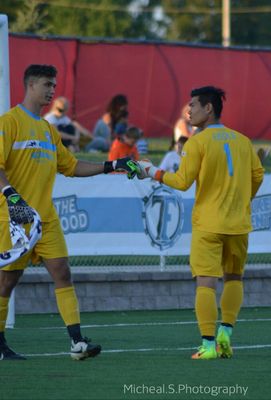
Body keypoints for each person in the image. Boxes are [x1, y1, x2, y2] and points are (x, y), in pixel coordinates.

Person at [0, 64, 139, 361]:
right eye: (48, 85)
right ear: (32, 84)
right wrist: (11, 196)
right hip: (14, 217)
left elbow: (72, 166)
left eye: (54, 85)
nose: (52, 91)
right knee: (7, 281)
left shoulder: (49, 131)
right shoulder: (9, 122)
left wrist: (112, 165)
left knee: (63, 272)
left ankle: (77, 342)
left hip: (45, 218)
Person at [136, 86, 264, 360]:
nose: (188, 110)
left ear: (209, 109)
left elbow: (181, 182)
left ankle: (207, 345)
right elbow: (257, 176)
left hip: (208, 224)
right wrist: (242, 200)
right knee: (234, 278)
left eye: (193, 105)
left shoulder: (197, 142)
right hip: (239, 224)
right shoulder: (243, 141)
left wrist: (151, 172)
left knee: (205, 283)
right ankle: (225, 333)